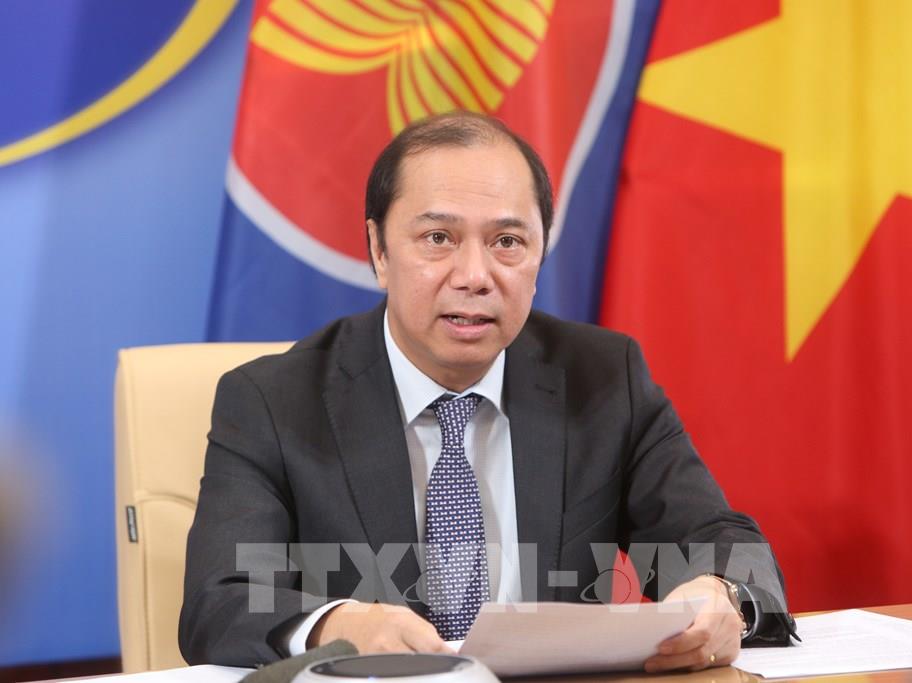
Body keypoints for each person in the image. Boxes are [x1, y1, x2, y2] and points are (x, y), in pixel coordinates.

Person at [179, 112, 796, 672]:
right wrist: (337, 625)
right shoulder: (273, 401)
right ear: (379, 250)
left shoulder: (604, 380)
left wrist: (723, 596)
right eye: (438, 238)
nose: (475, 276)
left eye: (507, 242)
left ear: (540, 253)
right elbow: (219, 601)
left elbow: (728, 546)